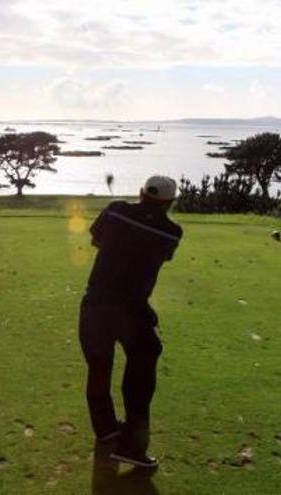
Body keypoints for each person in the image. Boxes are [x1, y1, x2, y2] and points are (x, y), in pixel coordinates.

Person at [79, 175, 183, 468]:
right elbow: (161, 254)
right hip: (132, 311)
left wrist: (122, 219)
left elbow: (97, 240)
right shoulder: (172, 231)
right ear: (170, 202)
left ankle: (106, 429)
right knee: (143, 367)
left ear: (140, 192)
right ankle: (131, 447)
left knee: (99, 367)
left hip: (95, 304)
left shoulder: (115, 210)